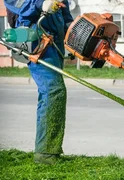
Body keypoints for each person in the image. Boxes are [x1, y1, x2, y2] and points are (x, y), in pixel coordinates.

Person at [4, 0, 73, 165]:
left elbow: (66, 15)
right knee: (53, 90)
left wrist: (75, 34)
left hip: (55, 41)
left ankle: (50, 151)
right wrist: (40, 4)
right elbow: (14, 3)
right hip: (34, 38)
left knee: (55, 91)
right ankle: (46, 154)